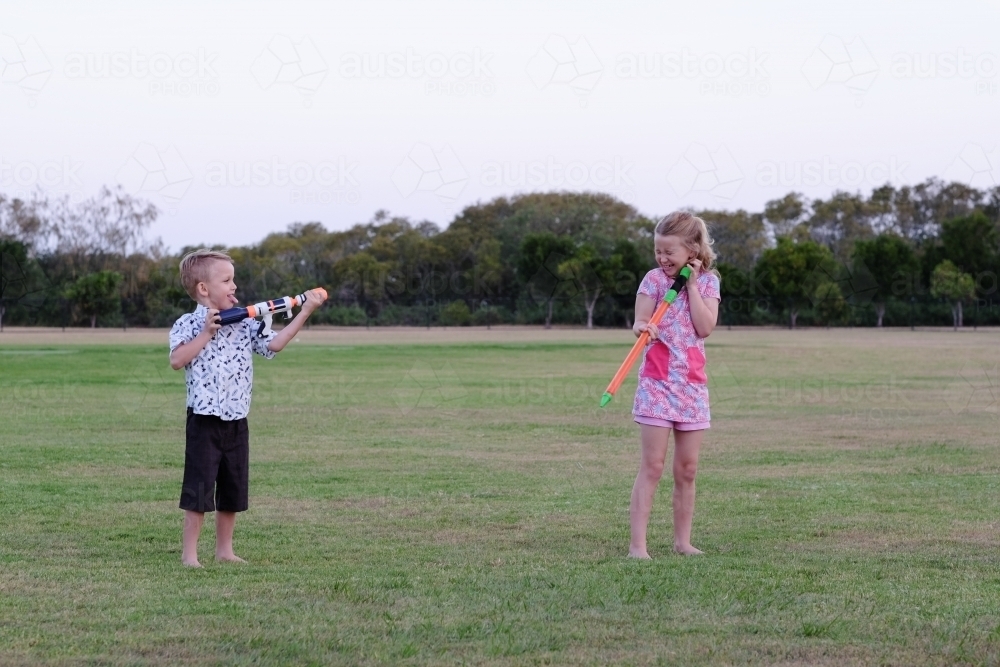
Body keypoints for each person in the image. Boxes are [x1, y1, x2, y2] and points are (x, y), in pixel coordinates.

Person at [168, 249, 326, 567]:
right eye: (226, 280)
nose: (234, 286)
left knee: (233, 487)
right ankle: (190, 555)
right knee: (200, 488)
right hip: (204, 420)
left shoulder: (245, 323)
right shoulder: (187, 323)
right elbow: (177, 360)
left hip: (237, 419)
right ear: (203, 289)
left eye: (234, 280)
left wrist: (306, 309)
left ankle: (225, 550)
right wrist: (206, 333)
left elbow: (275, 345)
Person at [628, 211, 720, 559]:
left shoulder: (709, 283)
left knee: (687, 469)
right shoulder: (652, 280)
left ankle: (683, 542)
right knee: (652, 466)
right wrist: (642, 327)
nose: (662, 259)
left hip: (692, 386)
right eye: (658, 251)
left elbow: (705, 327)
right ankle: (638, 546)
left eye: (670, 252)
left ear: (693, 249)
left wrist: (691, 285)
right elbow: (640, 319)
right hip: (657, 383)